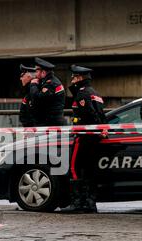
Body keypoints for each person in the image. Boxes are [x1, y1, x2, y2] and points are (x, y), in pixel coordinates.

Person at [66, 64, 107, 213]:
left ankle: (78, 203)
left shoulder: (82, 94)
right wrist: (101, 130)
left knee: (74, 168)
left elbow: (88, 115)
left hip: (83, 137)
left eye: (74, 77)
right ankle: (90, 204)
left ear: (79, 78)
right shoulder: (95, 93)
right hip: (94, 138)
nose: (72, 80)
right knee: (90, 170)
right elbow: (100, 115)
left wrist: (76, 124)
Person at [30, 57, 65, 126]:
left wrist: (33, 85)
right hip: (50, 121)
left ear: (43, 72)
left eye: (37, 71)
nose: (35, 74)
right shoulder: (48, 81)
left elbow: (39, 98)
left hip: (51, 122)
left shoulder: (50, 83)